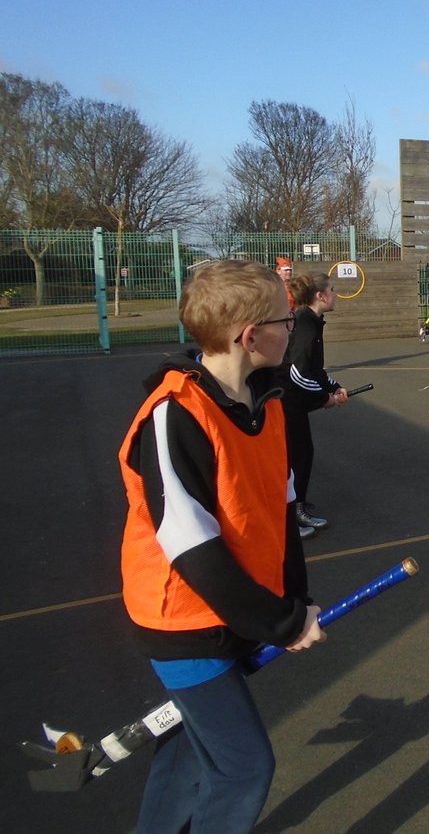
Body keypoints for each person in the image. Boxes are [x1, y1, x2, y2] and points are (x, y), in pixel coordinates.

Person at [117, 260, 325, 833]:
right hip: (183, 621)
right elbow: (192, 550)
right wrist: (280, 623)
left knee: (189, 756)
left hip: (232, 609)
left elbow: (280, 513)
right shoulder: (174, 414)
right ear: (250, 335)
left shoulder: (270, 403)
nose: (294, 327)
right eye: (285, 319)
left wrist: (297, 601)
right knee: (243, 768)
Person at [281, 272, 350, 534]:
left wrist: (333, 387)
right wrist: (324, 399)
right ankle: (293, 514)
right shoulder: (305, 326)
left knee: (302, 454)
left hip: (294, 405)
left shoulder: (312, 322)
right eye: (332, 290)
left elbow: (314, 370)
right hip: (286, 405)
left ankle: (296, 506)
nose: (335, 294)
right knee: (296, 457)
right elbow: (297, 373)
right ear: (320, 296)